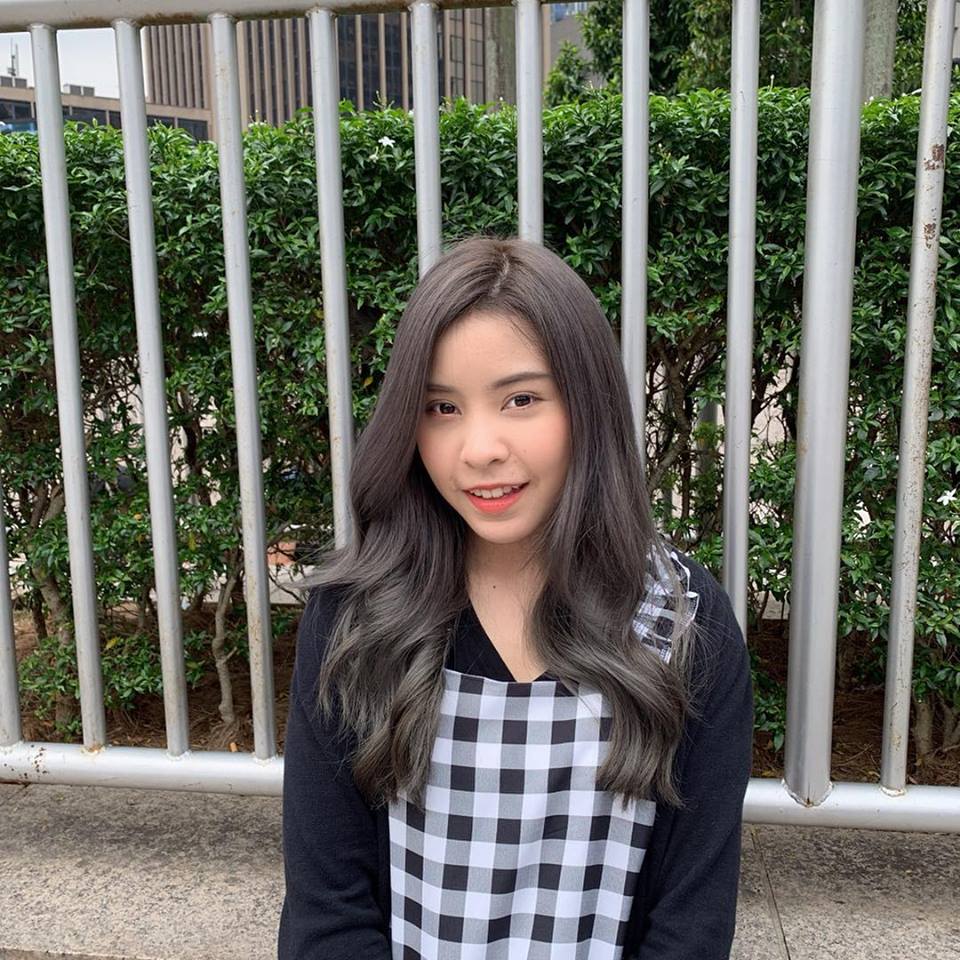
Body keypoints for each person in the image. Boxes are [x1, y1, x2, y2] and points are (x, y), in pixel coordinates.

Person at [278, 237, 753, 960]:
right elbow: (328, 911)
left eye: (521, 399)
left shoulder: (684, 621)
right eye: (441, 407)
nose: (479, 449)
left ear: (588, 405)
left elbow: (691, 921)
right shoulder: (357, 617)